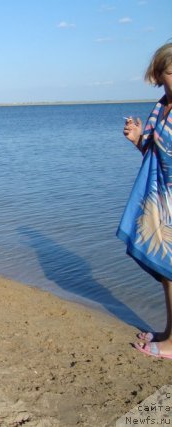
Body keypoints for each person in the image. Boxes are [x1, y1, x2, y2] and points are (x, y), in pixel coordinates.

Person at [118, 42, 172, 359]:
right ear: (157, 73)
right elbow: (159, 159)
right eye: (171, 71)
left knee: (170, 271)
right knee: (166, 273)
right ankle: (169, 333)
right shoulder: (162, 107)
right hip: (160, 200)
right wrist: (139, 140)